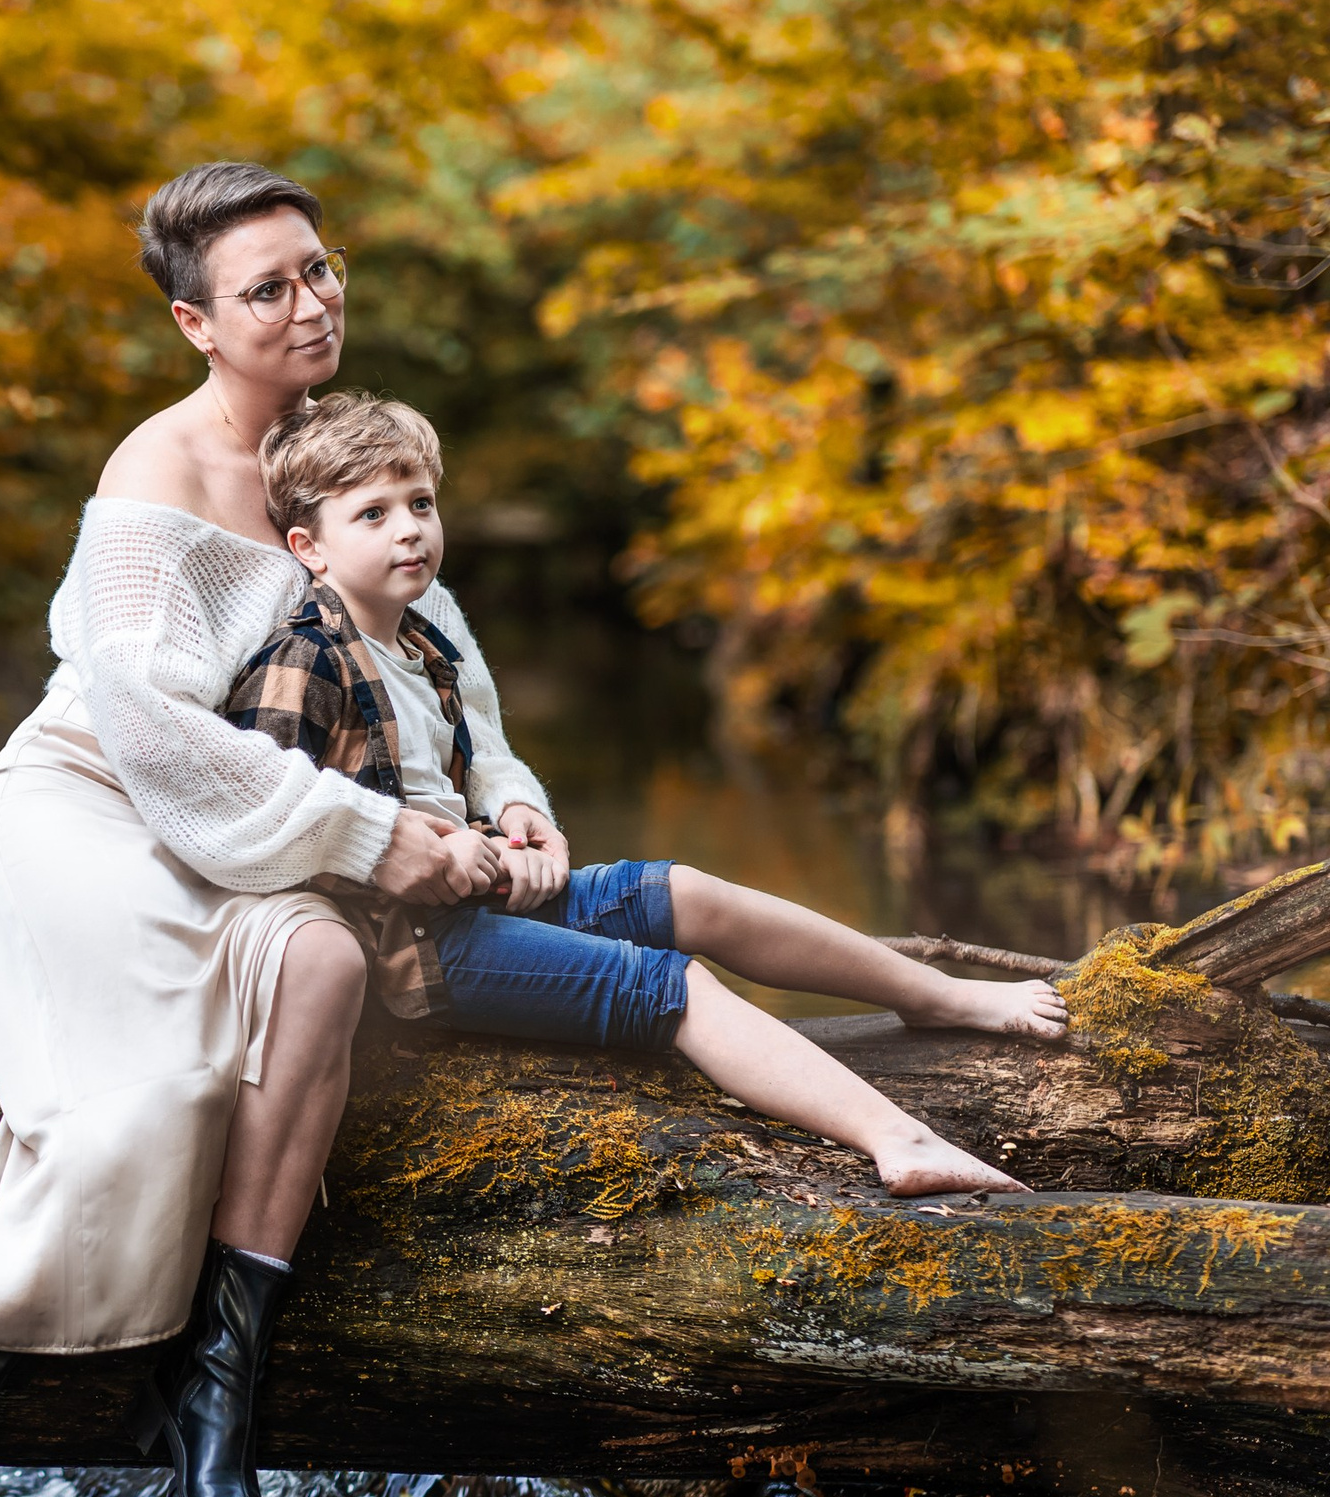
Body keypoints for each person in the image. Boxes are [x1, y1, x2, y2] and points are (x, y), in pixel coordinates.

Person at [0, 163, 475, 1497]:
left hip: (249, 829)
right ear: (196, 320)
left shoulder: (345, 453)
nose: (311, 303)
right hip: (93, 810)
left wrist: (511, 812)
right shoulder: (155, 481)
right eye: (269, 288)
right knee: (157, 1084)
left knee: (324, 970)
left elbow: (444, 669)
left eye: (320, 268)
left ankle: (213, 1393)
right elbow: (152, 729)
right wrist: (373, 841)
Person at [220, 389, 1066, 1194]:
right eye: (373, 514)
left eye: (420, 504)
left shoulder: (424, 649)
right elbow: (280, 821)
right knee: (668, 982)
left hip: (472, 909)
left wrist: (510, 824)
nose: (409, 530)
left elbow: (456, 786)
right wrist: (439, 849)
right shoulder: (304, 661)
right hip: (408, 955)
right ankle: (899, 1138)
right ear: (309, 548)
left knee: (685, 892)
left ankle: (940, 996)